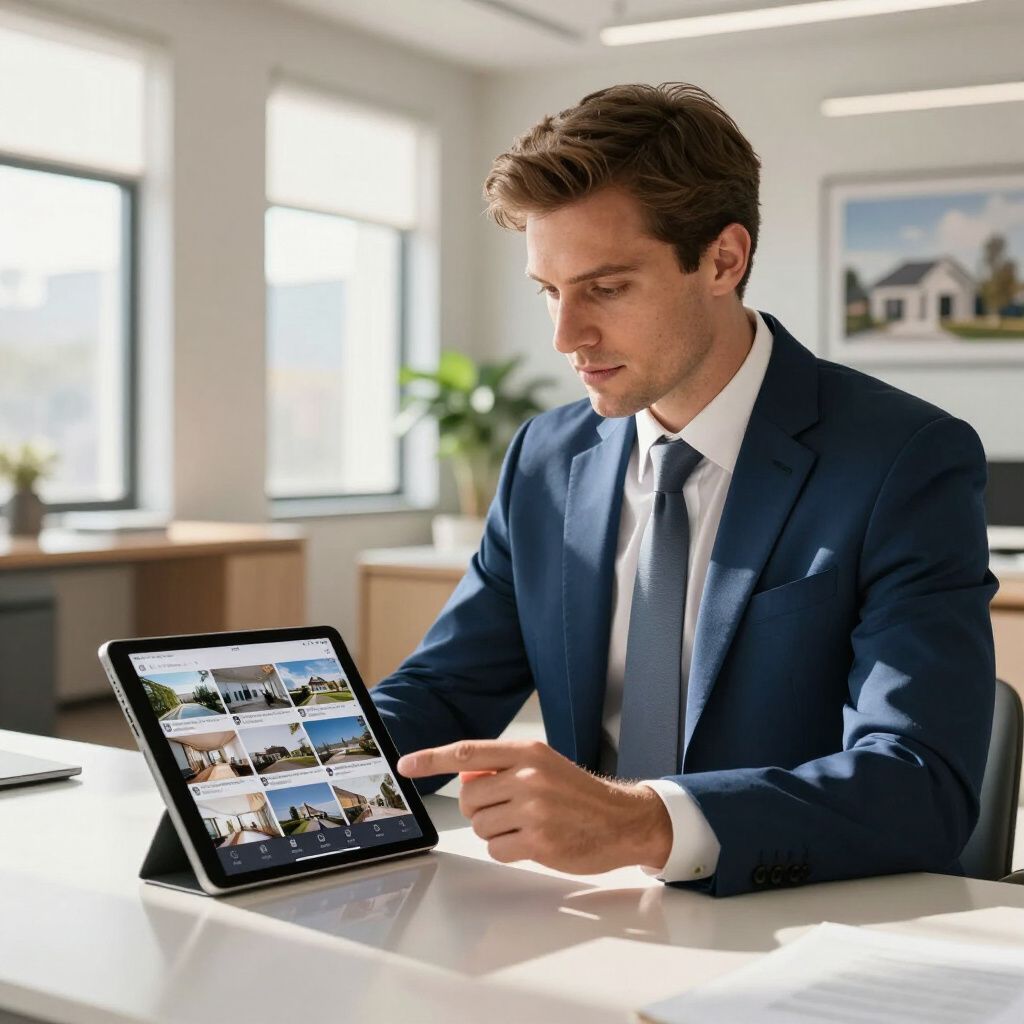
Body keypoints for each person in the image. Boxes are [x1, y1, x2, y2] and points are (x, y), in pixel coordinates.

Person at [371, 83, 997, 897]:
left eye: (606, 287)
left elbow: (921, 784)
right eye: (550, 291)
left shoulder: (903, 459)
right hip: (585, 912)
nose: (565, 336)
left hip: (801, 920)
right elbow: (443, 691)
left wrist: (644, 823)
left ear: (723, 260)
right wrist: (285, 770)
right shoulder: (544, 458)